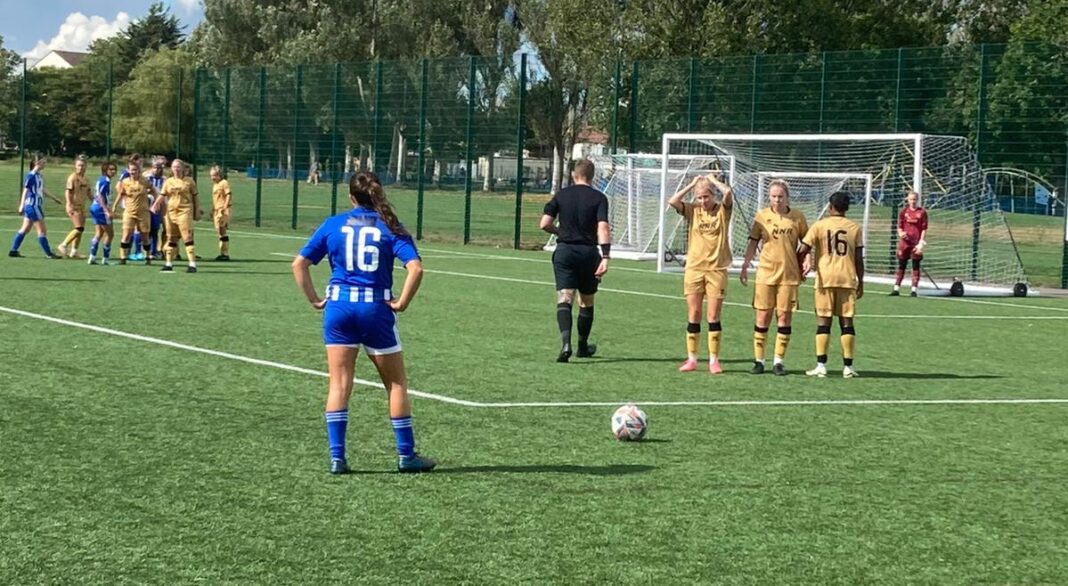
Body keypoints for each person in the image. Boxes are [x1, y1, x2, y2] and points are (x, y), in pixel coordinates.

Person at [291, 171, 436, 475]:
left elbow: (299, 264)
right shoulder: (390, 226)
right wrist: (402, 302)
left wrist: (314, 298)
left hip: (339, 307)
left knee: (339, 383)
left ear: (351, 197)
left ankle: (337, 458)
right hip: (374, 308)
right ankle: (406, 455)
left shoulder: (333, 224)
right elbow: (416, 268)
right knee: (395, 384)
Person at [539, 158, 610, 362]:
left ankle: (565, 343)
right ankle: (582, 346)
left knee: (565, 298)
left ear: (573, 175)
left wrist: (561, 231)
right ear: (592, 176)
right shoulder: (599, 198)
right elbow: (603, 228)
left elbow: (544, 224)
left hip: (565, 252)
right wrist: (605, 256)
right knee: (586, 301)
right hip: (588, 253)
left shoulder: (562, 195)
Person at [666, 171, 734, 374]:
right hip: (694, 268)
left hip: (716, 269)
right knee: (694, 313)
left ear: (713, 195)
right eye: (700, 197)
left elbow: (728, 193)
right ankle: (692, 358)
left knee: (713, 315)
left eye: (707, 196)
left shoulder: (723, 211)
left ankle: (714, 359)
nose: (703, 201)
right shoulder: (693, 210)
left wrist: (712, 181)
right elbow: (673, 201)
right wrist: (693, 183)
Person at [739, 179, 808, 375]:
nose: (777, 200)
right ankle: (759, 361)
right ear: (769, 197)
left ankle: (778, 361)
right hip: (766, 274)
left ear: (787, 197)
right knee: (763, 316)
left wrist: (807, 258)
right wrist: (745, 265)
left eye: (780, 196)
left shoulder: (797, 217)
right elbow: (753, 242)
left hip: (788, 275)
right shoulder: (762, 216)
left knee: (784, 317)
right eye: (774, 196)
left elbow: (806, 242)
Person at [800, 191, 864, 378]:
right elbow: (859, 259)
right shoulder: (855, 228)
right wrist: (861, 282)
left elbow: (803, 248)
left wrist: (799, 267)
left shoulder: (820, 226)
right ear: (847, 208)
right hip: (847, 278)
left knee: (823, 321)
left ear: (830, 207)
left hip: (825, 279)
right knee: (846, 322)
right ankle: (848, 367)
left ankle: (821, 365)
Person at [152, 158, 203, 273]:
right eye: (174, 167)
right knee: (171, 237)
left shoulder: (189, 181)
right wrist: (155, 204)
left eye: (178, 167)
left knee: (187, 237)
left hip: (184, 211)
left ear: (183, 168)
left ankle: (192, 264)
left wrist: (197, 210)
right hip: (171, 212)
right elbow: (162, 194)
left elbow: (195, 196)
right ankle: (169, 263)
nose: (176, 169)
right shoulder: (169, 181)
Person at [9, 156, 63, 259]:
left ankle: (13, 250)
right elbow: (25, 190)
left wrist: (54, 198)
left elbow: (42, 189)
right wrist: (21, 205)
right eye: (42, 162)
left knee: (25, 229)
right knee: (42, 231)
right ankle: (49, 254)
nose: (44, 164)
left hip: (33, 206)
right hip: (33, 206)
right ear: (36, 163)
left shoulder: (39, 176)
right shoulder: (31, 176)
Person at [112, 154, 159, 265]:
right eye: (132, 170)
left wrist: (155, 205)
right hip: (129, 212)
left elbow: (154, 191)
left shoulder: (144, 181)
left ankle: (148, 257)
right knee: (126, 234)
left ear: (139, 170)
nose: (133, 172)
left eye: (136, 170)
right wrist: (114, 206)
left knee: (144, 235)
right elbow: (121, 194)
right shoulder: (125, 181)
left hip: (143, 213)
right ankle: (123, 257)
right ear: (128, 170)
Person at [891, 190, 928, 297]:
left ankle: (914, 290)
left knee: (915, 265)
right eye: (911, 199)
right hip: (905, 243)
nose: (912, 201)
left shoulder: (922, 212)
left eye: (914, 199)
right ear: (907, 199)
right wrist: (901, 233)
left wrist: (921, 242)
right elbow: (899, 226)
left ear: (917, 200)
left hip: (916, 243)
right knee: (901, 264)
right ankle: (896, 288)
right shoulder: (903, 211)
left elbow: (924, 228)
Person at [57, 155, 91, 259]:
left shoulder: (86, 179)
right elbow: (68, 192)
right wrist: (69, 204)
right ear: (75, 166)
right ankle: (63, 245)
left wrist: (96, 201)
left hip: (82, 206)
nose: (81, 167)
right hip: (74, 206)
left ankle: (74, 251)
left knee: (81, 229)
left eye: (83, 165)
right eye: (79, 165)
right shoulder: (72, 178)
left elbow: (89, 193)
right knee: (79, 228)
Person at [87, 161, 118, 265]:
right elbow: (100, 195)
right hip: (100, 209)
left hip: (95, 207)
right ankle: (105, 259)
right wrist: (106, 210)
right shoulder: (105, 181)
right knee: (110, 234)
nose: (113, 171)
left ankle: (92, 257)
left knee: (99, 233)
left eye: (114, 169)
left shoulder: (102, 180)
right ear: (105, 170)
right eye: (111, 169)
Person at [210, 165, 233, 261]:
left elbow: (228, 195)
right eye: (211, 176)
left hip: (223, 210)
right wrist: (212, 210)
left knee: (222, 230)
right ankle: (222, 253)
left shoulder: (224, 183)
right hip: (217, 210)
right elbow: (216, 199)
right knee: (219, 231)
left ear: (219, 175)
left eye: (214, 175)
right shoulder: (215, 185)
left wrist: (225, 207)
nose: (212, 178)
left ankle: (225, 253)